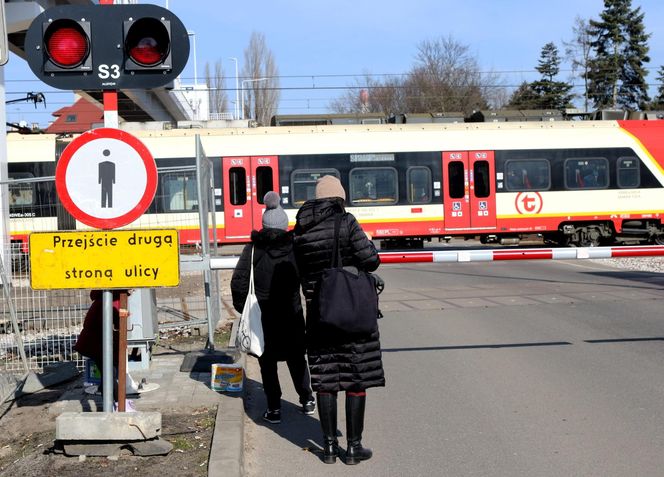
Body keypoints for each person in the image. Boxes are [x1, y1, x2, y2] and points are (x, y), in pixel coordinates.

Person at [292, 175, 384, 465]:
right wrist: (366, 242)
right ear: (339, 198)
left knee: (326, 380)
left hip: (319, 314)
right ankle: (354, 448)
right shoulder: (347, 222)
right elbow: (370, 261)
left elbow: (297, 271)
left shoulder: (300, 230)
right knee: (356, 378)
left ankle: (329, 448)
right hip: (353, 311)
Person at [231, 191, 315, 424]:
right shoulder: (295, 247)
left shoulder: (253, 249)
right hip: (292, 314)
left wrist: (244, 309)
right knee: (297, 359)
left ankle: (274, 408)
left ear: (264, 225)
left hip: (263, 315)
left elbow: (238, 282)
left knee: (266, 363)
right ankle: (307, 399)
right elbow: (308, 279)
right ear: (284, 225)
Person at [74, 290, 136, 412]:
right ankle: (119, 405)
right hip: (98, 345)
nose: (133, 290)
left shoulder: (104, 299)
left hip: (96, 344)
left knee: (107, 375)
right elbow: (116, 323)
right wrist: (123, 317)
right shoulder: (111, 301)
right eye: (131, 288)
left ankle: (111, 404)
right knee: (110, 375)